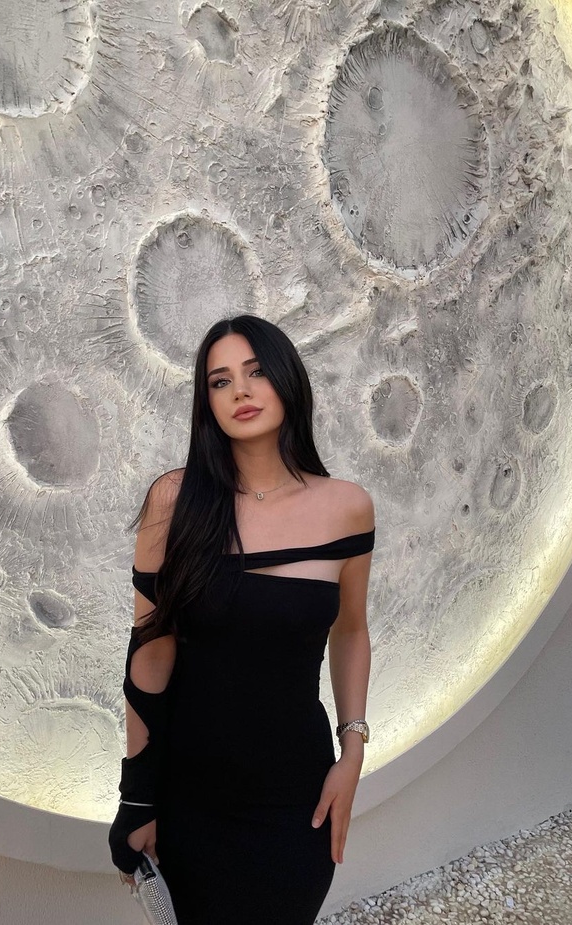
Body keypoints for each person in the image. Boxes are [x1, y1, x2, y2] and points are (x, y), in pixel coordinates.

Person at [109, 313, 375, 925]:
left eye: (256, 372)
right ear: (206, 402)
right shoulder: (174, 501)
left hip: (297, 797)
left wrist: (353, 751)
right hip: (192, 795)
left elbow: (352, 628)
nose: (241, 392)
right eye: (220, 381)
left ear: (287, 378)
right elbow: (149, 652)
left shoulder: (346, 507)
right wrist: (137, 796)